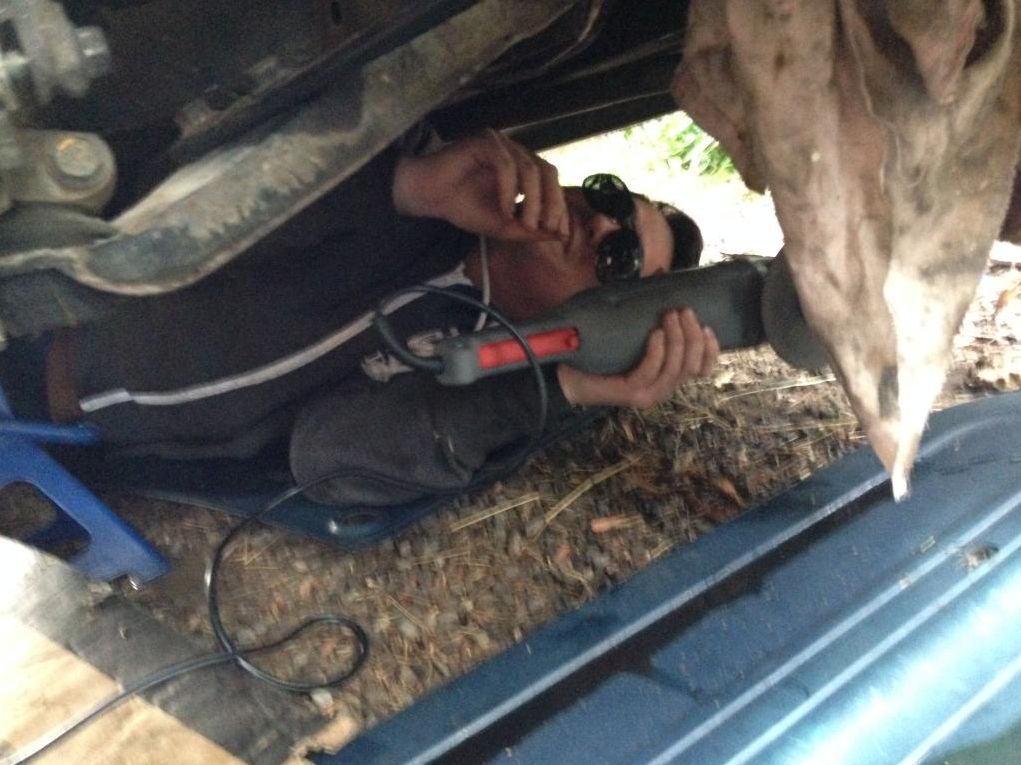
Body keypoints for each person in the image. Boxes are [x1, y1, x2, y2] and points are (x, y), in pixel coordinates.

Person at [8, 128, 719, 505]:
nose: (602, 225)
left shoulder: (496, 380)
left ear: (607, 308)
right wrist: (406, 187)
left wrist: (569, 387)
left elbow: (331, 456)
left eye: (621, 256)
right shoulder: (435, 180)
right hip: (39, 290)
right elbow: (208, 197)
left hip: (49, 420)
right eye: (613, 201)